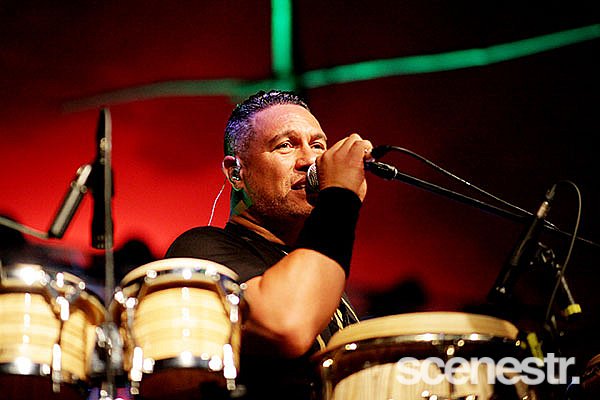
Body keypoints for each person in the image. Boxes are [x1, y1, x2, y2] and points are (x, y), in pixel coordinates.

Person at [165, 89, 373, 399]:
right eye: (285, 145)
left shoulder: (318, 275)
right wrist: (340, 200)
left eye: (318, 145)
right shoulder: (201, 251)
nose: (310, 161)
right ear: (236, 172)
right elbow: (287, 326)